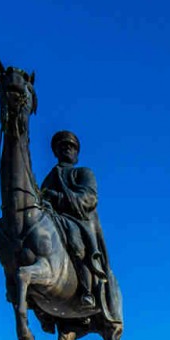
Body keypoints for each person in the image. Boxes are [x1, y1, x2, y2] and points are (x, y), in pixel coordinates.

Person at [40, 130, 108, 308]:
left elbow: (89, 198)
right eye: (62, 147)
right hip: (51, 218)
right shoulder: (49, 178)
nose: (67, 149)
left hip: (77, 220)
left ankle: (87, 291)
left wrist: (57, 197)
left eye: (71, 147)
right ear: (56, 152)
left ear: (77, 152)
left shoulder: (84, 173)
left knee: (76, 243)